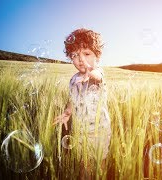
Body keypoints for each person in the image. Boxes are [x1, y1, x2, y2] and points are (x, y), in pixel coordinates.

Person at [53, 28, 111, 179]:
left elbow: (97, 77)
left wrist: (91, 74)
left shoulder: (98, 73)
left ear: (97, 56)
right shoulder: (73, 79)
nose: (81, 60)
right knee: (84, 167)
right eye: (75, 55)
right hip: (80, 132)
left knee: (100, 163)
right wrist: (67, 113)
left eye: (86, 54)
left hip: (100, 131)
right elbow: (73, 98)